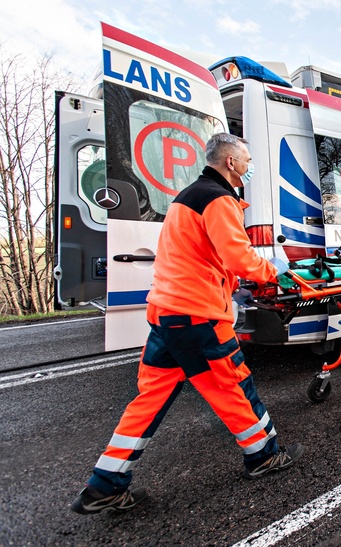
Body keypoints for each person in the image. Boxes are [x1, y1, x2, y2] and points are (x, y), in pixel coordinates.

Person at [71, 133, 303, 515]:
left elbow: (201, 256)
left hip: (167, 312)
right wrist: (272, 272)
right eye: (246, 159)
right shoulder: (219, 198)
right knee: (233, 386)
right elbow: (239, 256)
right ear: (230, 162)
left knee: (151, 398)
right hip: (199, 315)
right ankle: (264, 454)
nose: (249, 166)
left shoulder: (186, 197)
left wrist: (233, 282)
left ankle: (105, 484)